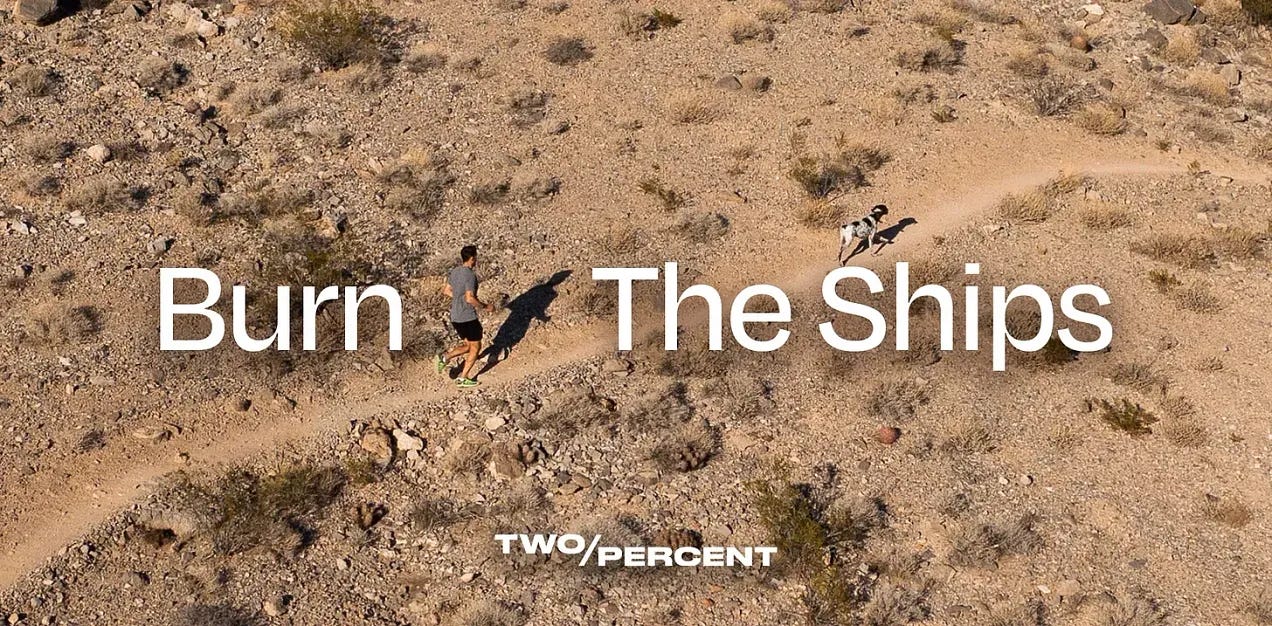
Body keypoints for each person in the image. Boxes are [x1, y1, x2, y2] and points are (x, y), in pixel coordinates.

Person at [436, 245, 497, 387]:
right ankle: (463, 378)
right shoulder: (470, 275)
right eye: (476, 257)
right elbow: (470, 298)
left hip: (455, 316)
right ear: (472, 258)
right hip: (467, 317)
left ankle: (445, 357)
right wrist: (486, 307)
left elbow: (446, 291)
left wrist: (459, 299)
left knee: (468, 345)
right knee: (476, 347)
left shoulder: (455, 272)